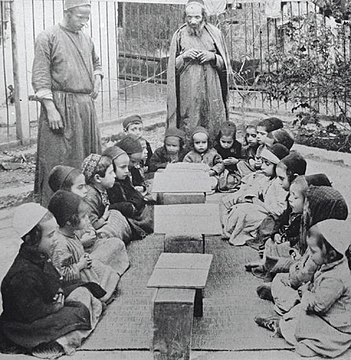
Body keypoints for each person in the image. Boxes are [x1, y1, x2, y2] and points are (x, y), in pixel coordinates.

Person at [0, 203, 103, 358]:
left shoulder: (41, 254)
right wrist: (54, 307)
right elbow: (30, 313)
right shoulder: (21, 276)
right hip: (25, 325)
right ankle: (58, 343)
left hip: (47, 305)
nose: (55, 239)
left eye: (55, 233)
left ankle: (71, 331)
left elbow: (54, 280)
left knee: (84, 292)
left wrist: (59, 293)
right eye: (50, 236)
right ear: (31, 239)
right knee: (79, 312)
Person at [32, 0, 103, 207]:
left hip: (85, 108)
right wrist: (51, 109)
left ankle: (88, 206)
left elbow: (96, 62)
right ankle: (56, 207)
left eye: (87, 18)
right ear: (67, 13)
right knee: (60, 159)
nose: (84, 22)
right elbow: (40, 76)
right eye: (80, 17)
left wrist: (97, 77)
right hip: (60, 106)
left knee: (88, 158)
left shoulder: (87, 39)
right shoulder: (48, 37)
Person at [255, 219, 351, 359]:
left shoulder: (335, 278)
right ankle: (284, 320)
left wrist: (306, 293)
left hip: (335, 326)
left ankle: (279, 327)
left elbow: (319, 306)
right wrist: (308, 288)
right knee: (297, 311)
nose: (310, 255)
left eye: (313, 251)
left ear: (330, 255)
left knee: (300, 320)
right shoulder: (329, 265)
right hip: (324, 312)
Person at [167, 0, 231, 141]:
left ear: (204, 16)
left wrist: (212, 56)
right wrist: (184, 56)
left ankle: (214, 148)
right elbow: (173, 67)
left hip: (211, 84)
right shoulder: (179, 35)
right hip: (188, 87)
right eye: (189, 17)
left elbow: (224, 64)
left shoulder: (215, 33)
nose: (193, 21)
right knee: (190, 117)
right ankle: (189, 148)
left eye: (197, 17)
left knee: (212, 116)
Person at [48, 165, 130, 273]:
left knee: (116, 242)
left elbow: (89, 224)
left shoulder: (81, 205)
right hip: (79, 258)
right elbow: (61, 250)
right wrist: (82, 242)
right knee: (95, 261)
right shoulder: (59, 214)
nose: (86, 190)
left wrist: (91, 233)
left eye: (85, 186)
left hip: (92, 245)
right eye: (80, 187)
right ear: (64, 190)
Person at [48, 190, 120, 303]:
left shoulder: (72, 232)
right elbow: (61, 274)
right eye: (83, 216)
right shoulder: (60, 244)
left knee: (108, 272)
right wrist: (80, 265)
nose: (87, 218)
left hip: (84, 269)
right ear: (69, 222)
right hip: (74, 281)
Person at [222, 144, 289, 246]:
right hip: (262, 210)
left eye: (267, 164)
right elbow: (255, 190)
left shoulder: (280, 184)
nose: (262, 166)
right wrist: (251, 197)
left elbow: (280, 211)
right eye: (263, 162)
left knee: (242, 212)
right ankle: (231, 231)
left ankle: (243, 233)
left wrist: (259, 204)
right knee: (235, 206)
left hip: (270, 217)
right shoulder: (267, 178)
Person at [103, 146, 154, 240]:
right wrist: (124, 206)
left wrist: (134, 203)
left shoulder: (124, 178)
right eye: (122, 167)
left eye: (127, 167)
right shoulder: (109, 185)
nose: (127, 171)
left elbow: (133, 193)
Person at [183, 126, 224, 190]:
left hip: (210, 175)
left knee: (213, 182)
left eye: (204, 142)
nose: (201, 145)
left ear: (208, 142)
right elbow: (185, 167)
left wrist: (213, 170)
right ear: (193, 144)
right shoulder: (189, 156)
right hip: (195, 177)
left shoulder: (213, 153)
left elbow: (220, 163)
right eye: (197, 143)